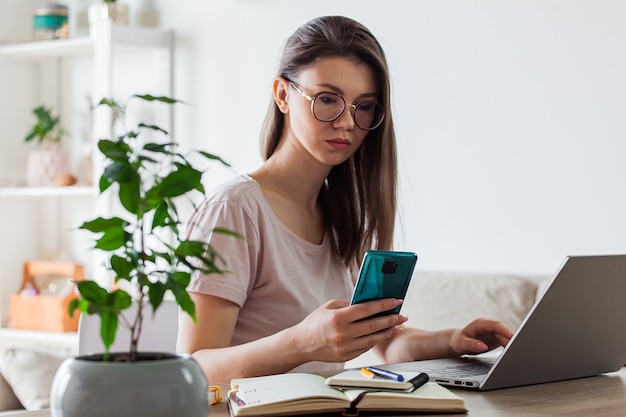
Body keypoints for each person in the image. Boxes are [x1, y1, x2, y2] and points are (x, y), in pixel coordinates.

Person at [177, 15, 513, 383]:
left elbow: (383, 345)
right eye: (327, 99)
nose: (347, 123)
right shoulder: (235, 210)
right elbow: (193, 369)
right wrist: (301, 343)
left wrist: (451, 341)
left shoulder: (339, 215)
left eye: (364, 106)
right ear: (283, 95)